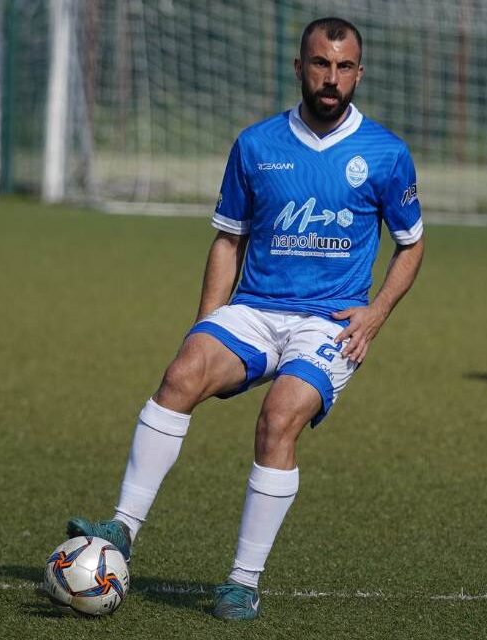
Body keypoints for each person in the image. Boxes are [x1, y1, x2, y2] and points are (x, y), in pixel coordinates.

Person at [64, 17, 424, 621]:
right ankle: (121, 529)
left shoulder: (385, 154)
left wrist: (376, 313)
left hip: (327, 324)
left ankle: (242, 581)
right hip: (255, 309)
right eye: (319, 64)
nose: (330, 79)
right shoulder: (257, 145)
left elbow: (411, 244)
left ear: (359, 73)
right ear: (298, 67)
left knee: (277, 419)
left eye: (343, 67)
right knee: (181, 374)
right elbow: (228, 240)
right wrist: (205, 326)